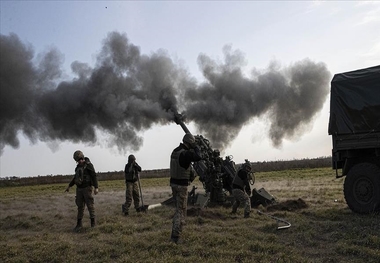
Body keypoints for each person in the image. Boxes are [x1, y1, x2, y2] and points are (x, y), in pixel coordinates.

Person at [170, 133, 202, 244]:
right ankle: (175, 236)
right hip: (181, 186)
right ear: (190, 142)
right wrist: (196, 147)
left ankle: (177, 230)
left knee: (179, 209)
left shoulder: (175, 151)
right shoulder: (185, 153)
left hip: (174, 184)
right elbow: (198, 157)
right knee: (180, 210)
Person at [65, 150, 99, 231]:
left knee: (90, 205)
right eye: (77, 160)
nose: (79, 161)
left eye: (80, 159)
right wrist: (69, 186)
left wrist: (96, 187)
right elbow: (75, 178)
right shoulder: (77, 168)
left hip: (87, 188)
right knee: (80, 206)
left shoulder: (89, 165)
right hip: (79, 189)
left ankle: (93, 224)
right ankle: (79, 224)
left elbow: (94, 176)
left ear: (82, 157)